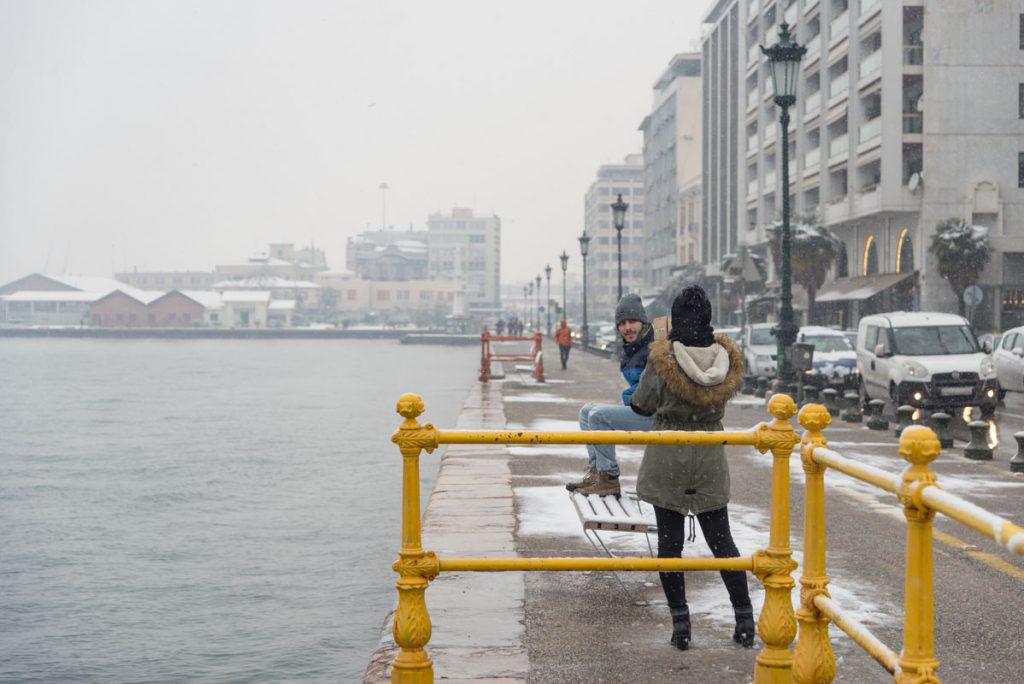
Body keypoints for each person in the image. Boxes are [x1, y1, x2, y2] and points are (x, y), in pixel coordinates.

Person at [628, 284, 754, 652]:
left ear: (676, 317)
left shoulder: (662, 358)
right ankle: (744, 617)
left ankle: (681, 625)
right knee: (723, 542)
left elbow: (642, 405)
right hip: (709, 455)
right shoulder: (724, 358)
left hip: (669, 455)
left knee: (670, 545)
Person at [566, 293, 655, 498]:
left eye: (632, 321)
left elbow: (651, 386)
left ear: (642, 321)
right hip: (641, 406)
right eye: (622, 323)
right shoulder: (632, 348)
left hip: (656, 412)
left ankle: (609, 478)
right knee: (586, 411)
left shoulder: (654, 347)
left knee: (598, 416)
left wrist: (627, 398)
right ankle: (597, 471)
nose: (627, 327)